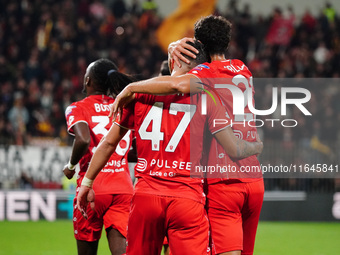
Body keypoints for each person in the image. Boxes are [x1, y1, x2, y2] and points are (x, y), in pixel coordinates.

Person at [76, 41, 263, 255]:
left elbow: (108, 143)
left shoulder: (139, 95)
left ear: (172, 61)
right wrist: (255, 146)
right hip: (187, 199)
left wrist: (87, 183)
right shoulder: (207, 96)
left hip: (146, 197)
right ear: (199, 68)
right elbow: (234, 148)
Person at [63, 59, 134, 255]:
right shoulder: (123, 105)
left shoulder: (77, 108)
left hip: (92, 187)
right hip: (122, 187)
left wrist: (70, 165)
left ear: (87, 81)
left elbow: (83, 139)